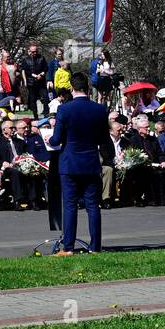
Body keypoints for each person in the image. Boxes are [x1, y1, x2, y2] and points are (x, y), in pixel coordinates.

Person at [49, 71, 108, 254]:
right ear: (88, 88)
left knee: (70, 206)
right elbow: (104, 138)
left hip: (70, 162)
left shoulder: (64, 109)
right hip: (90, 161)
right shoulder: (99, 109)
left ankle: (68, 247)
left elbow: (57, 139)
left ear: (71, 88)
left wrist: (49, 139)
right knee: (92, 206)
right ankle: (95, 247)